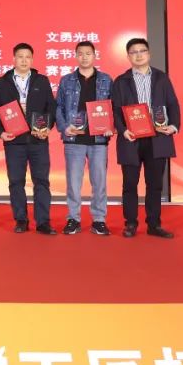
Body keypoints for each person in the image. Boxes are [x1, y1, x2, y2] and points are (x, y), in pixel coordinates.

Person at [110, 37, 181, 239]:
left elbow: (173, 104)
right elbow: (115, 109)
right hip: (131, 138)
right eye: (134, 52)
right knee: (129, 184)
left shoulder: (161, 78)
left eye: (142, 51)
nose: (138, 55)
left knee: (155, 185)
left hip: (157, 138)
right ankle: (130, 223)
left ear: (149, 54)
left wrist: (173, 126)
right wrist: (123, 130)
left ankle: (154, 224)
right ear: (128, 56)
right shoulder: (121, 81)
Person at [0, 43, 57, 234]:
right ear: (14, 59)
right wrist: (0, 132)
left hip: (38, 140)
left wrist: (47, 128)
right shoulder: (2, 82)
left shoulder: (41, 81)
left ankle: (43, 222)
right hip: (14, 141)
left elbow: (51, 108)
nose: (24, 60)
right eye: (20, 57)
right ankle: (21, 219)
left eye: (28, 57)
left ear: (32, 59)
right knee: (16, 181)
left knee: (41, 181)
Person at [55, 40, 114, 236]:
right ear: (75, 56)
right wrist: (65, 128)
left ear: (94, 56)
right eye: (80, 53)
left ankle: (99, 220)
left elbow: (113, 106)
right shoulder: (66, 80)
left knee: (100, 182)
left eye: (88, 53)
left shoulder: (106, 80)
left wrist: (111, 126)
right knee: (73, 183)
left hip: (99, 140)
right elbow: (58, 107)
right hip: (74, 139)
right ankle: (73, 218)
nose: (84, 57)